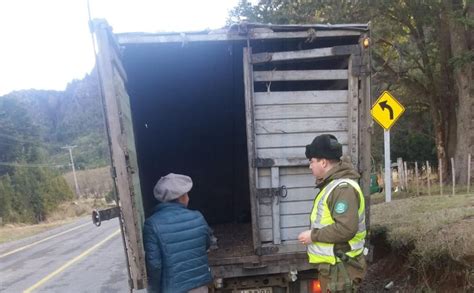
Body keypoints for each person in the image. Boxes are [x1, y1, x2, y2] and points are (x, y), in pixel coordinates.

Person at [297, 134, 367, 292]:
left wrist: (312, 236)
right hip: (335, 269)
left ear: (323, 162)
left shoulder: (342, 189)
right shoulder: (332, 186)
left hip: (341, 269)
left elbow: (346, 229)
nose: (310, 166)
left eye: (312, 161)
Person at [143, 173, 212, 293]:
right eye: (187, 194)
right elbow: (206, 244)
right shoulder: (197, 217)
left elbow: (154, 265)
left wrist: (154, 290)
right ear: (182, 197)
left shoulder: (152, 224)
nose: (188, 198)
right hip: (199, 286)